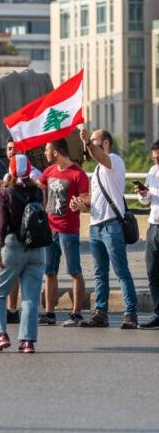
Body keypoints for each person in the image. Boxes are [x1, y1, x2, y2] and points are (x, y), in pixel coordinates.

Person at [77, 127, 138, 329]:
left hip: (112, 225)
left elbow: (99, 156)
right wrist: (81, 205)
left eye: (93, 140)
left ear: (104, 143)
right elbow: (95, 201)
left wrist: (87, 141)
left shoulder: (114, 161)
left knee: (121, 271)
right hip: (96, 226)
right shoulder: (96, 169)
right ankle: (100, 313)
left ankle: (130, 314)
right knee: (99, 273)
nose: (89, 144)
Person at [0, 155, 47, 353]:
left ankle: (0, 334)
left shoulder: (6, 194)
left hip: (13, 246)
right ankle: (27, 341)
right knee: (30, 297)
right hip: (37, 247)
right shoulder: (38, 191)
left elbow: (0, 227)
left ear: (10, 170)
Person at [38, 138, 89, 327]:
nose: (45, 153)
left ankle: (77, 314)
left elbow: (85, 203)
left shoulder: (78, 174)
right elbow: (36, 186)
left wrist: (81, 204)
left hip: (68, 230)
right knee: (49, 272)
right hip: (50, 229)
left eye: (46, 150)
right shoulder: (49, 171)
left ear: (56, 152)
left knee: (74, 271)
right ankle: (49, 313)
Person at [136, 140, 159, 330]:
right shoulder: (152, 172)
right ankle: (158, 313)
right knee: (152, 273)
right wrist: (143, 194)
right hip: (153, 227)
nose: (156, 161)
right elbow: (146, 201)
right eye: (154, 158)